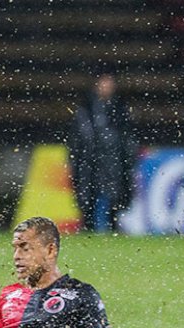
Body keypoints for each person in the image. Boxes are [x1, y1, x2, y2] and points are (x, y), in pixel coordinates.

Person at [68, 70, 138, 232]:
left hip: (113, 158)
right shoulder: (85, 108)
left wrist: (128, 156)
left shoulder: (121, 108)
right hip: (90, 158)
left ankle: (113, 225)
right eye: (103, 83)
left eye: (109, 83)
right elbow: (77, 137)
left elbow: (128, 135)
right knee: (87, 193)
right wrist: (76, 157)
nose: (106, 87)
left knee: (116, 194)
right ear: (96, 86)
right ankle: (88, 225)